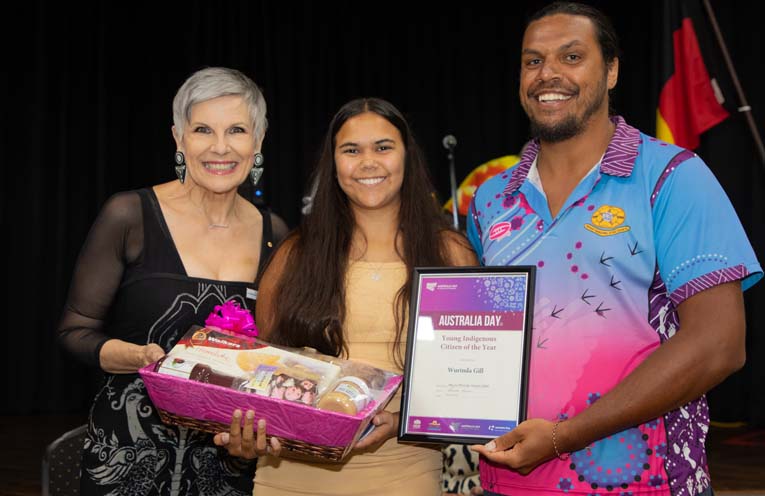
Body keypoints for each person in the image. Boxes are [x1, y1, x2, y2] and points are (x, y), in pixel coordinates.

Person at [467, 3, 762, 496]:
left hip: (647, 482)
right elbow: (483, 339)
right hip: (510, 481)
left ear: (612, 71)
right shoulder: (491, 198)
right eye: (533, 60)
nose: (548, 74)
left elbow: (719, 345)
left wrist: (564, 437)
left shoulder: (672, 177)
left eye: (571, 56)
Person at [213, 97, 478, 495]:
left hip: (403, 477)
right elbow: (261, 376)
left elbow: (471, 383)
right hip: (288, 479)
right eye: (351, 150)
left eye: (383, 147)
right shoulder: (295, 254)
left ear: (407, 157)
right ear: (333, 164)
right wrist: (246, 437)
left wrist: (403, 422)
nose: (368, 162)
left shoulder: (450, 254)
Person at [56, 67, 288, 495]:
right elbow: (75, 330)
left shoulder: (274, 234)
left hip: (229, 469)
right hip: (126, 462)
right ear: (179, 138)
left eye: (237, 130)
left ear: (257, 141)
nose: (220, 147)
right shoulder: (129, 215)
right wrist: (133, 356)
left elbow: (273, 356)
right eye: (203, 130)